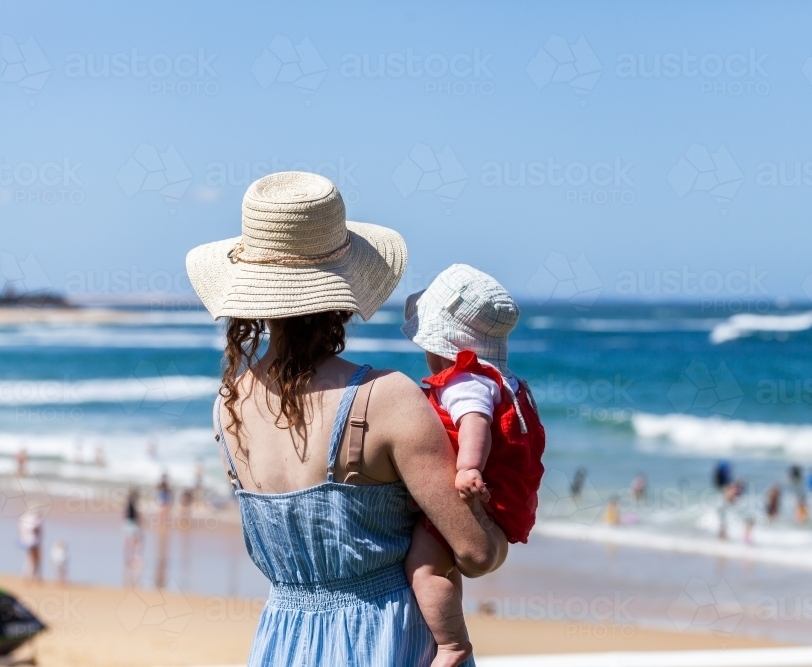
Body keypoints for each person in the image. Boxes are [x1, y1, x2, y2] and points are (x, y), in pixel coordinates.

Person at [188, 172, 506, 666]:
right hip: (382, 639)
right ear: (344, 286)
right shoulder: (386, 397)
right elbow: (476, 553)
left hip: (282, 642)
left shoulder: (228, 403)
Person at [399, 265, 546, 667]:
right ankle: (450, 630)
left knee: (423, 568)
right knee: (444, 565)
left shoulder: (464, 381)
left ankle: (452, 644)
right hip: (506, 498)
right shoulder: (501, 380)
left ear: (440, 345)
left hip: (478, 493)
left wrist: (467, 468)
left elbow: (474, 422)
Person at [123, 487, 143, 586]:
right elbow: (136, 515)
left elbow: (126, 514)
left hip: (127, 523)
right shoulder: (133, 503)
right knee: (137, 541)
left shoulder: (128, 503)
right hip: (132, 524)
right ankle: (134, 559)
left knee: (131, 542)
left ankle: (131, 558)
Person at [18, 510, 42, 581]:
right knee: (33, 560)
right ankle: (31, 577)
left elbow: (20, 530)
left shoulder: (23, 519)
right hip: (33, 543)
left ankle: (27, 576)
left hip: (26, 542)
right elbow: (35, 530)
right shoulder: (34, 520)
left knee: (28, 560)